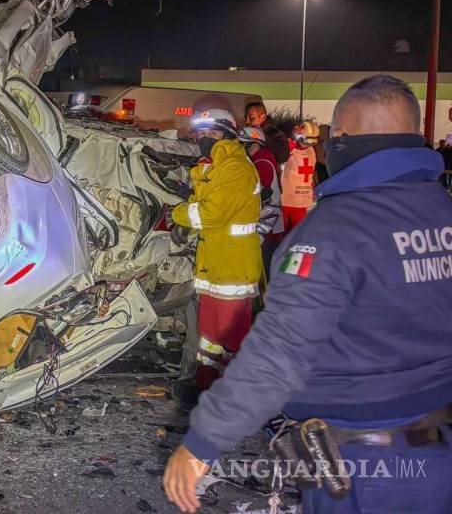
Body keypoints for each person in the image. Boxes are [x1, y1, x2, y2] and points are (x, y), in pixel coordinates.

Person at [163, 75, 452, 514]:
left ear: (343, 139)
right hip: (437, 453)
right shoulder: (441, 211)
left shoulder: (335, 231)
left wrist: (202, 441)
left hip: (364, 470)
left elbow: (280, 352)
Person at [168, 109, 262, 402]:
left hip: (233, 268)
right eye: (201, 133)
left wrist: (176, 214)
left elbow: (211, 213)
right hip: (214, 266)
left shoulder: (235, 167)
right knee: (209, 337)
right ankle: (206, 386)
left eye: (213, 132)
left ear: (229, 134)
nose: (205, 138)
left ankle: (235, 395)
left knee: (231, 336)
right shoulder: (212, 166)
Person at [237, 126, 283, 279]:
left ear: (257, 144)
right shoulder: (257, 159)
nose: (242, 148)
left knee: (262, 262)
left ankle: (264, 297)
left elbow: (258, 189)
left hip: (265, 219)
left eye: (246, 145)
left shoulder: (262, 159)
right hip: (263, 217)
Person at [280, 120, 319, 233]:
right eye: (305, 140)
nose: (307, 144)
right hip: (286, 201)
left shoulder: (312, 150)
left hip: (304, 203)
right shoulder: (288, 146)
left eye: (311, 142)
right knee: (282, 236)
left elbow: (313, 172)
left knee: (298, 235)